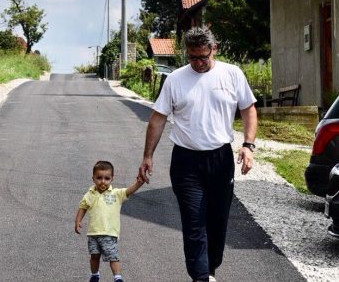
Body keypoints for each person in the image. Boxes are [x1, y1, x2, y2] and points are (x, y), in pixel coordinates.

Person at [138, 27, 257, 282]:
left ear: (214, 49)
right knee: (194, 222)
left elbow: (248, 109)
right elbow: (158, 119)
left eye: (203, 56)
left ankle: (210, 269)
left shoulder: (232, 74)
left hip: (220, 160)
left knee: (217, 221)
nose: (198, 63)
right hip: (186, 162)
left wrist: (248, 145)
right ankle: (200, 277)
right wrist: (148, 156)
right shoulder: (175, 80)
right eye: (192, 57)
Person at [75, 161, 144, 282]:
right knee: (94, 256)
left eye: (107, 178)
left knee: (113, 256)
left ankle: (117, 278)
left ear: (112, 178)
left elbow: (129, 191)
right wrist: (78, 221)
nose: (103, 181)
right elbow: (82, 207)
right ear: (93, 178)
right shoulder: (89, 194)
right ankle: (95, 275)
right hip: (93, 233)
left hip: (109, 233)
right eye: (99, 178)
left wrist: (138, 183)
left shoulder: (116, 194)